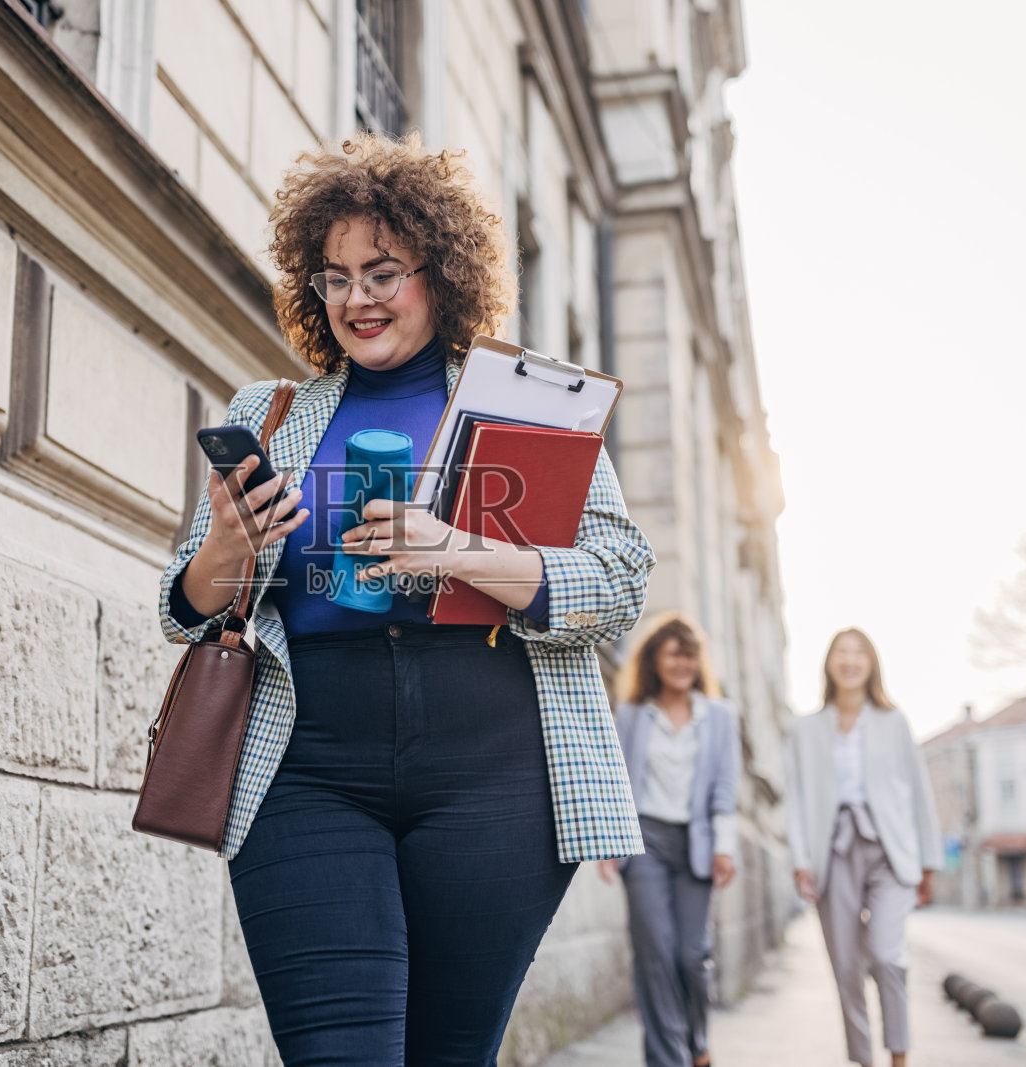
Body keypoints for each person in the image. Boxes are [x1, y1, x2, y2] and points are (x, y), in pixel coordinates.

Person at [157, 134, 655, 1066]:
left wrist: (458, 550)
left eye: (381, 272)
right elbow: (182, 608)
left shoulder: (530, 404)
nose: (357, 299)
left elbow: (619, 578)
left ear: (441, 271)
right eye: (333, 278)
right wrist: (232, 540)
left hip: (496, 775)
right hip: (308, 769)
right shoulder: (269, 408)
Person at [785, 628, 942, 1067]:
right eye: (842, 652)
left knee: (888, 956)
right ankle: (862, 1060)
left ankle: (899, 1056)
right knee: (847, 969)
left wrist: (929, 863)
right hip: (831, 853)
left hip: (890, 853)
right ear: (829, 663)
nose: (850, 660)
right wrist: (800, 861)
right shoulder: (805, 728)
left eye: (859, 653)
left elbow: (919, 792)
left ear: (871, 665)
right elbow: (794, 799)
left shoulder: (894, 722)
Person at [599, 613, 740, 1067]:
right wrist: (608, 846)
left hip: (697, 845)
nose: (682, 663)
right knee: (655, 952)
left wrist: (725, 845)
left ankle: (697, 1042)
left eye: (690, 655)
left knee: (690, 955)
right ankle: (667, 1059)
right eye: (673, 654)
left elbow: (725, 788)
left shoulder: (720, 717)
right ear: (654, 661)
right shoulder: (632, 715)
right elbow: (615, 780)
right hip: (645, 844)